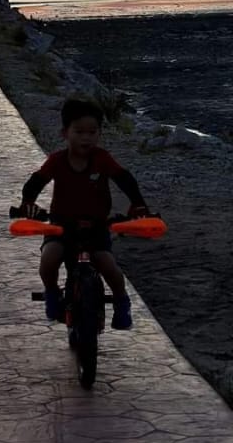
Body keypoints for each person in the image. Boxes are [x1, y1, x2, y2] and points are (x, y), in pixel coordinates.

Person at [18, 97, 150, 330]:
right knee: (48, 262)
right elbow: (36, 181)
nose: (86, 137)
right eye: (79, 131)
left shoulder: (102, 159)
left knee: (108, 266)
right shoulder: (57, 161)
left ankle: (121, 301)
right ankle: (51, 293)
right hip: (61, 225)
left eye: (92, 131)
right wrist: (27, 202)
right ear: (65, 133)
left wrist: (138, 204)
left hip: (96, 225)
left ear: (99, 133)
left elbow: (124, 178)